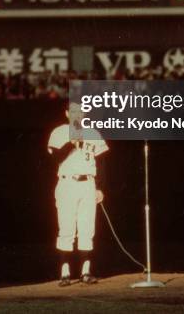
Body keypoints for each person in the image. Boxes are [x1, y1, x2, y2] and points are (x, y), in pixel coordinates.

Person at [48, 101, 108, 286]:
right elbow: (54, 159)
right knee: (66, 228)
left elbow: (102, 163)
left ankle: (86, 271)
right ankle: (65, 273)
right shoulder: (59, 132)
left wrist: (99, 187)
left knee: (87, 229)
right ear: (67, 113)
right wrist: (71, 142)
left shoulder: (92, 133)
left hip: (88, 184)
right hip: (67, 182)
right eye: (74, 112)